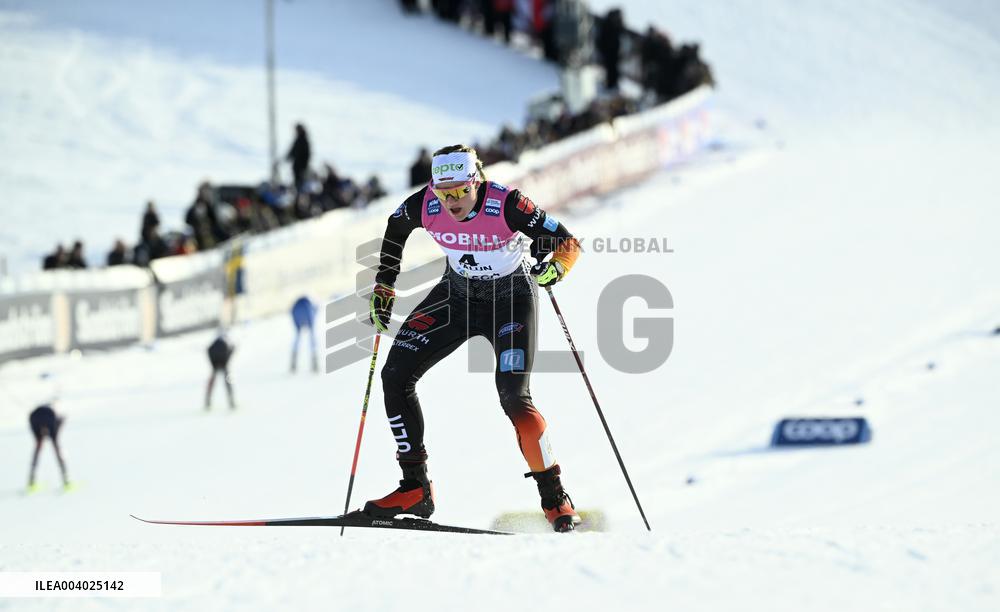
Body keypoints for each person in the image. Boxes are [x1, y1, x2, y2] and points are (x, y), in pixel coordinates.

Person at [363, 144, 583, 532]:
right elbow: (395, 228)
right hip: (458, 296)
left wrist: (557, 267)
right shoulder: (426, 204)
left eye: (460, 191)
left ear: (476, 181)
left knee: (514, 396)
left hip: (510, 298)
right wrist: (384, 284)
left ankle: (555, 497)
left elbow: (567, 243)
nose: (451, 202)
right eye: (443, 193)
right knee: (394, 375)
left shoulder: (508, 204)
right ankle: (415, 487)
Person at [27, 404, 70, 492]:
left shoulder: (49, 421)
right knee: (55, 449)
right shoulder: (54, 424)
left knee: (39, 447)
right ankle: (66, 481)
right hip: (40, 418)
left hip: (35, 418)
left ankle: (31, 481)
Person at [205, 331, 236, 410]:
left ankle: (207, 401)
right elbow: (229, 354)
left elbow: (208, 351)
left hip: (216, 364)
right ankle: (231, 400)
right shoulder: (226, 343)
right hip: (222, 364)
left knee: (212, 381)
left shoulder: (214, 344)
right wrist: (225, 363)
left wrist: (213, 365)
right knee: (228, 381)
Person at [290, 296, 318, 373]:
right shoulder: (313, 309)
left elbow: (292, 310)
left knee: (297, 335)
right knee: (312, 335)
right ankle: (315, 363)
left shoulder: (309, 304)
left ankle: (293, 364)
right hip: (305, 310)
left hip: (295, 311)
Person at [286, 123, 312, 195]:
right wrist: (288, 157)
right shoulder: (298, 139)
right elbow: (293, 151)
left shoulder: (303, 140)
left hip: (301, 166)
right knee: (297, 183)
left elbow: (307, 154)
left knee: (300, 183)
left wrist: (304, 165)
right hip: (297, 165)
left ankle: (300, 198)